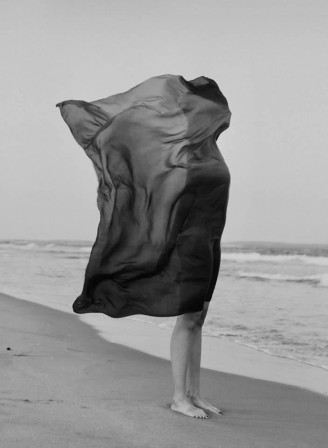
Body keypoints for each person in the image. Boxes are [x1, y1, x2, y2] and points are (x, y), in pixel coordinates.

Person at [57, 74, 231, 419]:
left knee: (199, 317)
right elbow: (160, 197)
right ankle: (179, 397)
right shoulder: (179, 155)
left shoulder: (210, 150)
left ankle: (195, 393)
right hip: (187, 242)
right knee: (189, 315)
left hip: (210, 241)